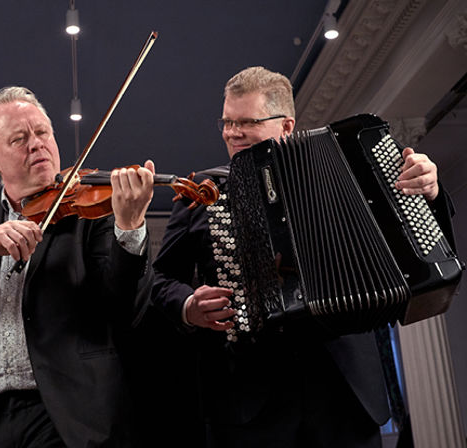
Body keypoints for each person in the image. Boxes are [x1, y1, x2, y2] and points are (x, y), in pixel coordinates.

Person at [151, 66, 457, 447]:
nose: (233, 133)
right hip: (248, 398)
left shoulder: (350, 173)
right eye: (227, 122)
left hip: (345, 391)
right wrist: (188, 305)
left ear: (286, 126)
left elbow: (419, 244)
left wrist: (428, 191)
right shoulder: (202, 193)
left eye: (247, 122)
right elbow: (160, 280)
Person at [0, 86, 155, 448]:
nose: (36, 144)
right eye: (19, 139)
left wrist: (129, 229)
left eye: (42, 133)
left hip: (62, 414)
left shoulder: (90, 214)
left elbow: (124, 307)